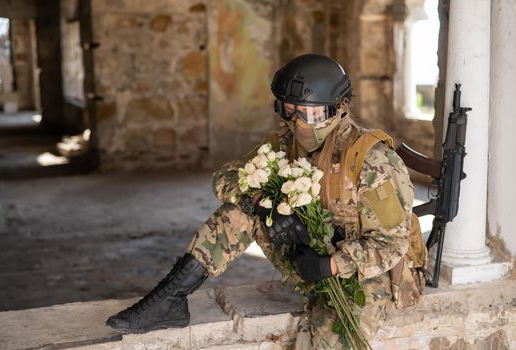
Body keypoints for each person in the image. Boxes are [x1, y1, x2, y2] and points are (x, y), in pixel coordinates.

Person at [106, 54, 427, 349]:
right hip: (305, 254)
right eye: (289, 111)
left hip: (366, 277)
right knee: (242, 211)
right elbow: (226, 178)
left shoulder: (372, 161)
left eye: (311, 113)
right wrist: (264, 202)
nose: (299, 122)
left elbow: (391, 244)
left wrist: (330, 265)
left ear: (340, 107)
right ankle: (171, 298)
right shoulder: (284, 143)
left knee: (331, 339)